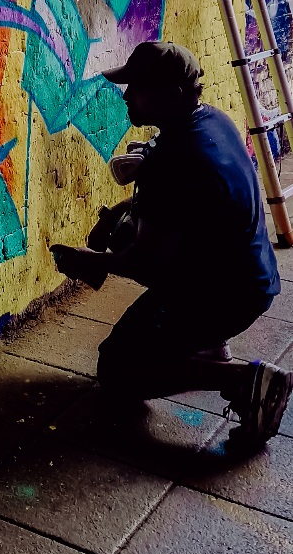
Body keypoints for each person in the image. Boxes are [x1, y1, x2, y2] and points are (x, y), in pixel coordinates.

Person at [50, 40, 293, 451]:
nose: (127, 96)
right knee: (126, 230)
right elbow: (182, 202)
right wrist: (121, 215)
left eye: (138, 88)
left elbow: (147, 262)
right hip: (251, 277)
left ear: (172, 93)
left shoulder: (174, 158)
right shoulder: (213, 121)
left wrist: (93, 261)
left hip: (227, 292)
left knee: (116, 370)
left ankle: (246, 381)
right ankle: (205, 343)